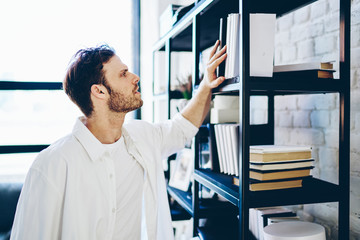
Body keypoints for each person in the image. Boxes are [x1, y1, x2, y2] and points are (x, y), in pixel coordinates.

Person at [10, 40, 227, 240]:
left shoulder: (143, 136)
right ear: (99, 91)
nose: (135, 77)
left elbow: (183, 127)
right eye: (123, 74)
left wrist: (206, 85)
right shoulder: (51, 165)